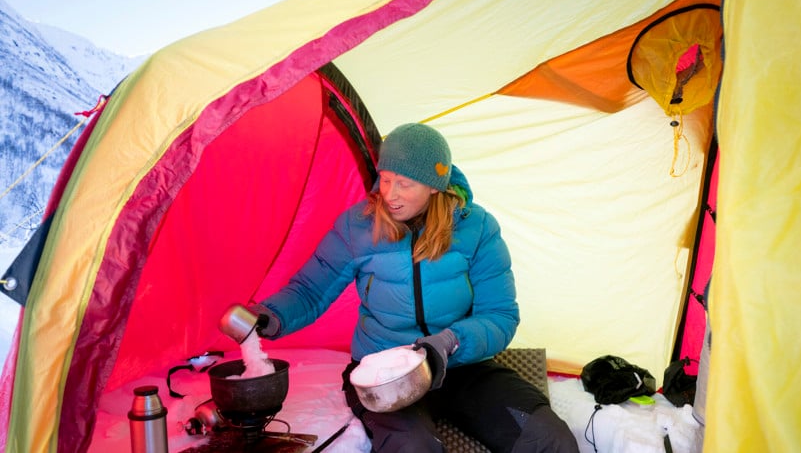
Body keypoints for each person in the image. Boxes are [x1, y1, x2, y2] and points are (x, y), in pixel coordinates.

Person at [224, 123, 578, 452]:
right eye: (385, 178)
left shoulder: (478, 228)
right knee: (411, 448)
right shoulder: (357, 226)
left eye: (404, 184)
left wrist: (451, 341)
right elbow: (310, 290)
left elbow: (500, 315)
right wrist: (270, 315)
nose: (389, 194)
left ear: (435, 185)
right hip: (382, 376)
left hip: (460, 366)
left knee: (548, 439)